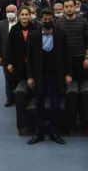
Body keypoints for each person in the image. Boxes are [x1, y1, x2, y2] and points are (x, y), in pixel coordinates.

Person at [26, 8, 70, 145]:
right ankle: (38, 134)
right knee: (39, 105)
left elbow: (66, 56)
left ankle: (54, 133)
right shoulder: (33, 36)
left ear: (53, 19)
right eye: (44, 19)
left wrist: (68, 74)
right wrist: (30, 77)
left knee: (55, 106)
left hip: (56, 76)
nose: (47, 21)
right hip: (39, 77)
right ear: (40, 20)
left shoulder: (61, 34)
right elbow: (30, 59)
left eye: (49, 19)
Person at [56, 0, 88, 135]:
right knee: (70, 94)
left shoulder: (83, 21)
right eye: (66, 6)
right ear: (64, 8)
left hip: (81, 61)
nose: (69, 8)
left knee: (86, 93)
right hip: (66, 63)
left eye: (71, 6)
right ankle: (70, 126)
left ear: (75, 7)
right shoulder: (58, 22)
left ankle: (86, 124)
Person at [7, 6, 36, 135]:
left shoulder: (36, 28)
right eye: (22, 14)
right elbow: (9, 48)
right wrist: (9, 63)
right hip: (18, 65)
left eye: (26, 14)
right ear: (19, 16)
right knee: (20, 92)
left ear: (30, 16)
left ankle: (33, 121)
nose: (24, 16)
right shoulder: (14, 29)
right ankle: (22, 122)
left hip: (33, 65)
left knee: (33, 92)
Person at [0, 4, 18, 106]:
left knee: (19, 77)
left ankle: (19, 97)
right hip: (5, 56)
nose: (10, 13)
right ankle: (9, 98)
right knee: (8, 78)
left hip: (18, 55)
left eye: (12, 11)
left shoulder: (21, 22)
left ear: (16, 12)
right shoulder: (1, 24)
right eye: (8, 12)